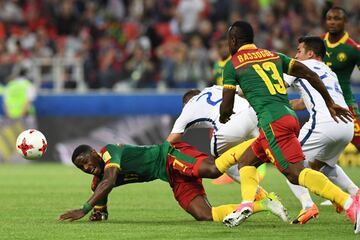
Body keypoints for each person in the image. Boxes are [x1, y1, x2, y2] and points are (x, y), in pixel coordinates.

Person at [218, 21, 359, 234]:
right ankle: (246, 205)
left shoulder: (233, 64)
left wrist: (224, 115)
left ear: (234, 40)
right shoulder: (273, 55)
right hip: (285, 119)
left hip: (274, 123)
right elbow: (310, 75)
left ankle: (350, 204)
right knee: (246, 161)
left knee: (296, 173)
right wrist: (330, 102)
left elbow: (226, 105)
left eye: (229, 40)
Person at [59, 141, 288, 222]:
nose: (87, 167)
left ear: (94, 154)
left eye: (86, 161)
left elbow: (109, 182)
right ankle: (266, 204)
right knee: (204, 215)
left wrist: (84, 208)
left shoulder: (109, 152)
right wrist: (98, 212)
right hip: (170, 176)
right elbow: (102, 199)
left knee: (212, 170)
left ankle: (256, 145)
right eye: (81, 167)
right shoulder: (98, 182)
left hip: (170, 155)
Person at [283, 36, 359, 224]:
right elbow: (307, 100)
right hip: (346, 124)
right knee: (325, 166)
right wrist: (291, 104)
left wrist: (240, 91)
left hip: (325, 122)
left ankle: (308, 206)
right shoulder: (329, 72)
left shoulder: (300, 66)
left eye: (299, 51)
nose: (295, 55)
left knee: (288, 164)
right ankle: (356, 193)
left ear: (310, 54)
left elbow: (276, 85)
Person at [167, 85, 266, 184]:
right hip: (253, 113)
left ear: (185, 104)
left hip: (231, 125)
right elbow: (243, 89)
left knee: (220, 162)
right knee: (273, 148)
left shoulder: (189, 107)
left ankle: (260, 195)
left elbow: (171, 140)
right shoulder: (214, 88)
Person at [322, 7, 360, 151]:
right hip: (321, 103)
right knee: (320, 149)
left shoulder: (353, 49)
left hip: (344, 103)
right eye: (329, 18)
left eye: (337, 19)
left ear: (345, 21)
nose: (332, 22)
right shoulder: (317, 43)